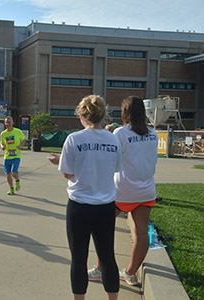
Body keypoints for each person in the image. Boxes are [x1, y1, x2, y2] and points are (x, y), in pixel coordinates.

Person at [48, 95, 121, 300]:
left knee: (78, 259)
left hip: (79, 206)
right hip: (106, 206)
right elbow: (115, 169)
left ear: (81, 116)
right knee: (107, 257)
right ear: (104, 115)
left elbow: (67, 173)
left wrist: (59, 163)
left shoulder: (74, 139)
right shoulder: (114, 139)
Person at [88, 96, 158, 286]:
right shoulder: (153, 133)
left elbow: (109, 154)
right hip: (146, 191)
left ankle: (101, 269)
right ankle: (130, 272)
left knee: (103, 229)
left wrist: (108, 131)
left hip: (122, 191)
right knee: (142, 233)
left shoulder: (120, 133)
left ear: (125, 112)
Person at [0, 116, 26, 195]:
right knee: (8, 174)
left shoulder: (18, 131)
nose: (8, 124)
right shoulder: (3, 134)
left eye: (9, 122)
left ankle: (17, 181)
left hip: (16, 156)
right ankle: (11, 188)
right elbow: (2, 142)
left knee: (13, 172)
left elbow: (24, 140)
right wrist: (2, 146)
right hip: (7, 156)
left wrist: (21, 146)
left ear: (13, 123)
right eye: (6, 122)